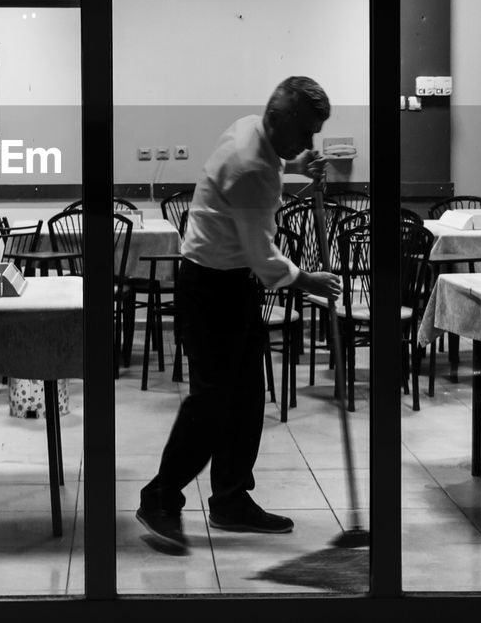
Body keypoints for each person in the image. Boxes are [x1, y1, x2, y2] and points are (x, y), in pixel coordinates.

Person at [137, 76, 342, 554]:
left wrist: (297, 163)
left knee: (248, 395)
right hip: (211, 287)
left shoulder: (252, 128)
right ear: (280, 121)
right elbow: (263, 257)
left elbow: (275, 163)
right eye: (307, 132)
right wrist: (307, 279)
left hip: (229, 282)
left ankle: (230, 497)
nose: (311, 142)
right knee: (212, 401)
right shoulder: (251, 168)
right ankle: (160, 497)